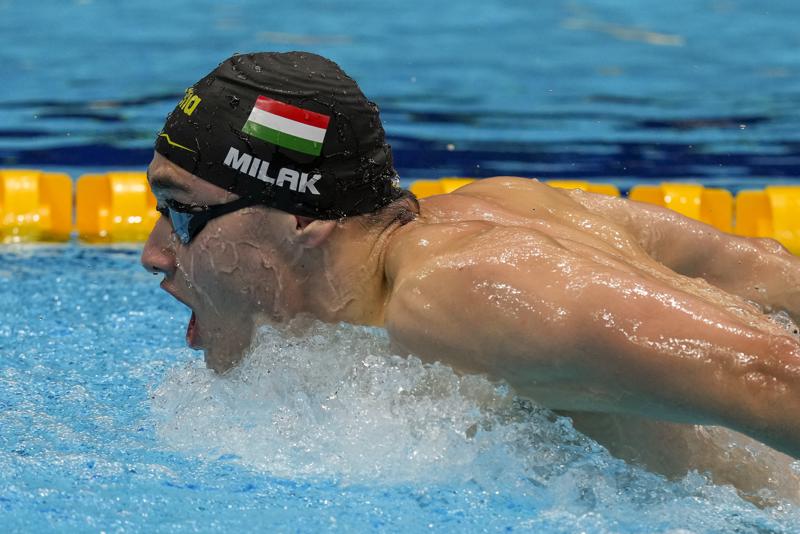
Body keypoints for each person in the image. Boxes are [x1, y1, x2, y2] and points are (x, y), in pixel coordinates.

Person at [141, 52, 800, 495]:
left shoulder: (468, 292)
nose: (154, 250)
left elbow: (774, 371)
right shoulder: (506, 204)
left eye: (182, 211)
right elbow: (769, 273)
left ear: (302, 217)